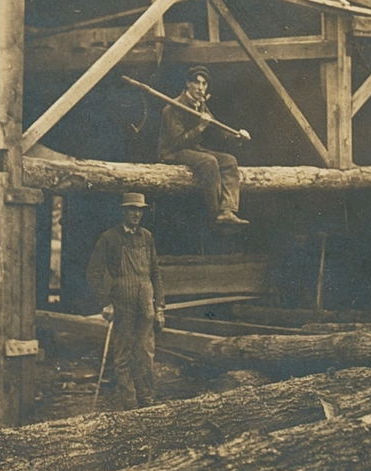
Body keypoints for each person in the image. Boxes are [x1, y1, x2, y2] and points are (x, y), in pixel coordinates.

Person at [85, 193, 166, 409]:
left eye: (139, 210)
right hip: (122, 303)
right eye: (132, 209)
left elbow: (155, 273)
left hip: (145, 302)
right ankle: (128, 404)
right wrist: (105, 302)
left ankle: (147, 400)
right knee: (123, 355)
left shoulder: (147, 237)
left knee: (146, 353)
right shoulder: (109, 238)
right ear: (123, 211)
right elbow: (94, 272)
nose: (136, 214)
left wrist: (160, 307)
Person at [159, 65, 249, 226]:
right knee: (209, 161)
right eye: (197, 83)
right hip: (173, 152)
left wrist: (236, 135)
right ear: (188, 84)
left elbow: (217, 128)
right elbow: (178, 142)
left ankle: (227, 210)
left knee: (229, 161)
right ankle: (215, 215)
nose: (201, 88)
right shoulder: (172, 107)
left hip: (193, 150)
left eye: (204, 84)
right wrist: (200, 127)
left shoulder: (200, 105)